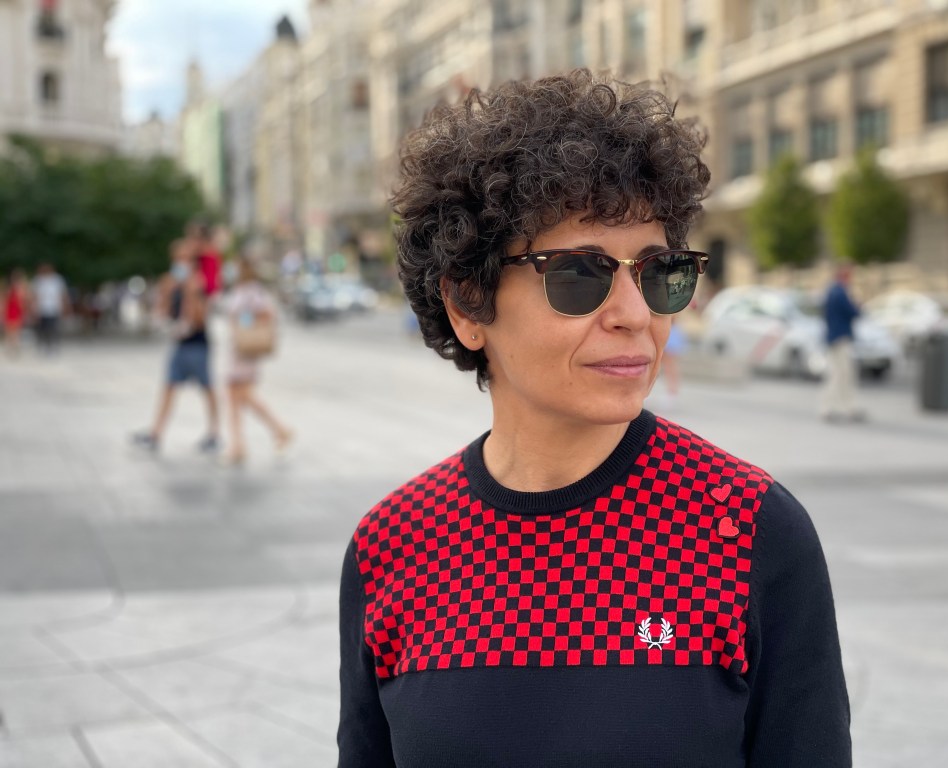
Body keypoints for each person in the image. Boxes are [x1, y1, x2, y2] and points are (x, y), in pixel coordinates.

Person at [337, 70, 851, 767]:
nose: (635, 314)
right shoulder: (393, 549)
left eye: (659, 272)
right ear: (467, 305)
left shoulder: (748, 529)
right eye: (579, 273)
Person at [132, 240, 220, 453]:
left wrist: (190, 294)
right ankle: (156, 433)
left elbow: (200, 318)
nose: (180, 263)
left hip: (197, 344)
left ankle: (214, 433)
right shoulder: (173, 283)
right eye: (177, 258)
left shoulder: (197, 283)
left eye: (184, 258)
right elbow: (162, 311)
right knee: (169, 386)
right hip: (180, 343)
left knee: (207, 388)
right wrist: (165, 297)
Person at [222, 258, 293, 465]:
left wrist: (247, 321)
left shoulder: (252, 291)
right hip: (238, 349)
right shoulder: (241, 290)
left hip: (246, 350)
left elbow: (268, 314)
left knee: (241, 395)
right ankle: (239, 445)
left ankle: (278, 431)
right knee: (235, 397)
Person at [821, 263, 864, 422]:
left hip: (833, 338)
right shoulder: (840, 292)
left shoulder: (831, 291)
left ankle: (841, 408)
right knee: (842, 375)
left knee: (838, 374)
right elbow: (854, 312)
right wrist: (858, 304)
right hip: (841, 338)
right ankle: (839, 408)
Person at [31, 262, 69, 354]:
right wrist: (34, 308)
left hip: (54, 308)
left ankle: (53, 346)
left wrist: (65, 306)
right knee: (42, 329)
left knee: (53, 328)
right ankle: (43, 345)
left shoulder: (57, 280)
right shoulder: (38, 280)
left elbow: (62, 294)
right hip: (42, 309)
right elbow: (34, 295)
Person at [2, 270, 30, 357]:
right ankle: (13, 347)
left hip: (15, 310)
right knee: (10, 330)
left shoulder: (20, 288)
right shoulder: (10, 288)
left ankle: (14, 347)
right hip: (10, 310)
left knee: (15, 331)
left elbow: (23, 301)